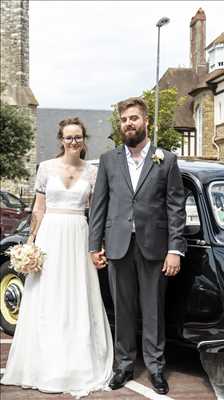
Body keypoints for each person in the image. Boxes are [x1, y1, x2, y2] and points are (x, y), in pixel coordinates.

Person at [1, 117, 113, 398]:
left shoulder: (92, 172)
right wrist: (30, 242)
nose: (73, 141)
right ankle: (43, 363)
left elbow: (95, 213)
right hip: (50, 236)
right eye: (68, 137)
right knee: (47, 296)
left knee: (76, 295)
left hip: (78, 236)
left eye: (77, 137)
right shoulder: (46, 169)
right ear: (61, 140)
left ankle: (77, 363)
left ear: (84, 139)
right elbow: (38, 209)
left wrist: (98, 243)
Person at [89, 97, 186, 395]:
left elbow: (175, 207)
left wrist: (175, 249)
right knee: (123, 309)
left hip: (154, 247)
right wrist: (94, 246)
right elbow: (99, 206)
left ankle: (156, 367)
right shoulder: (108, 160)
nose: (128, 124)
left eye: (134, 118)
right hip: (117, 246)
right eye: (124, 120)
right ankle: (124, 365)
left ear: (147, 122)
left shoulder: (166, 160)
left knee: (153, 309)